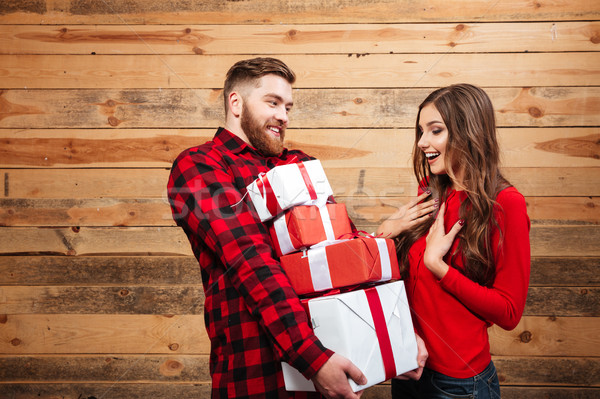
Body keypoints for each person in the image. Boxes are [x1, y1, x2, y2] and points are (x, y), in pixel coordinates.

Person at [167, 57, 372, 399]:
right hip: (257, 375)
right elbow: (250, 259)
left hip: (331, 368)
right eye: (272, 103)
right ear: (236, 103)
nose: (284, 116)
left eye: (288, 106)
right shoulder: (198, 166)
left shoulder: (301, 164)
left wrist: (395, 337)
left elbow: (341, 253)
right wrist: (312, 357)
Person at [377, 84, 531, 398]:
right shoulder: (431, 189)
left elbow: (509, 313)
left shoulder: (506, 204)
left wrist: (440, 268)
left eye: (436, 131)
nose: (422, 142)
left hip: (459, 385)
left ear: (469, 133)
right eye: (421, 131)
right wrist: (384, 232)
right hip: (409, 368)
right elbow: (406, 281)